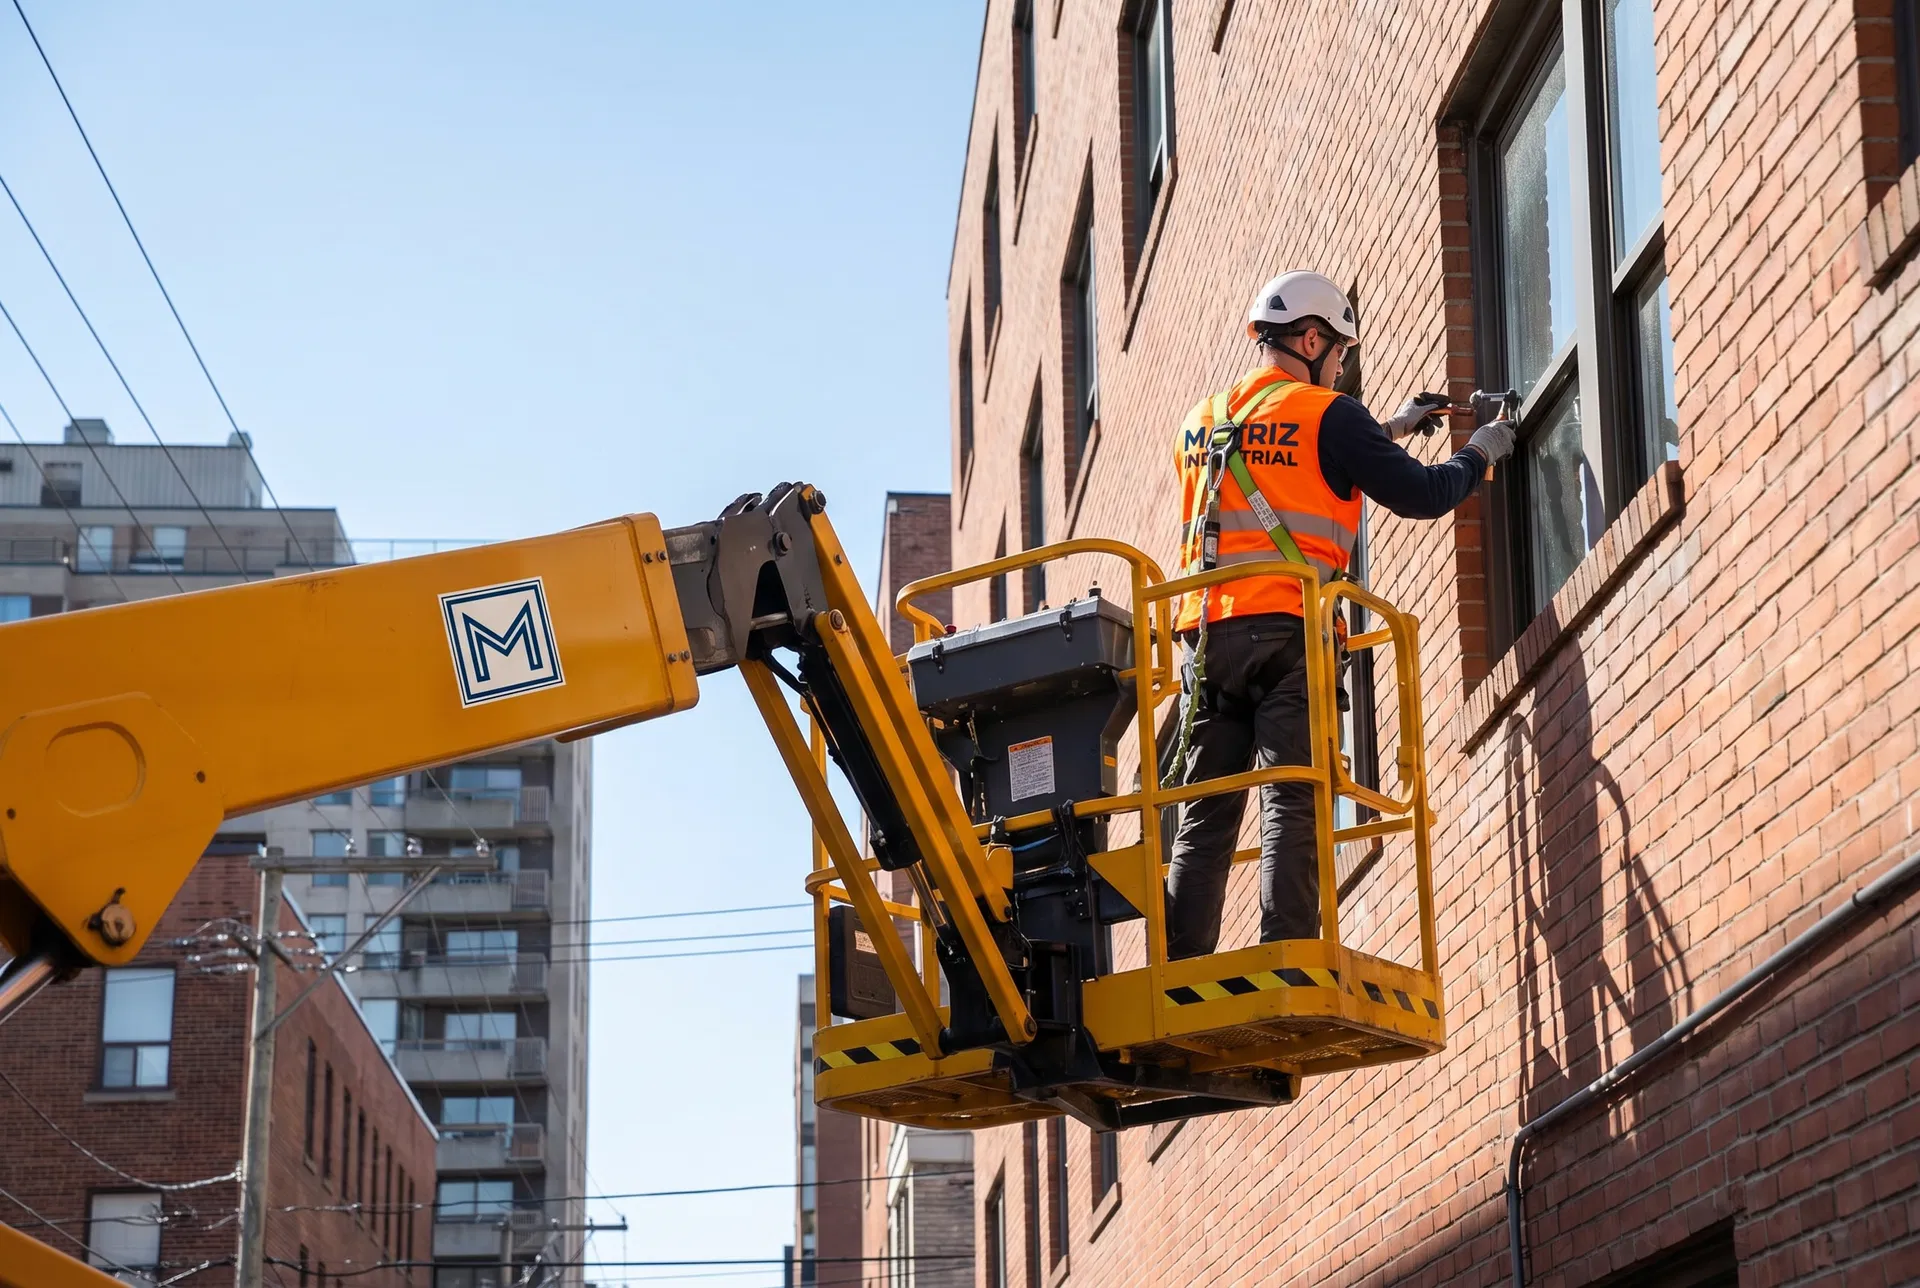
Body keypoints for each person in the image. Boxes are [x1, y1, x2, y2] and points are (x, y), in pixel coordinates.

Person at [1163, 269, 1515, 959]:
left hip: (1204, 643)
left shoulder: (1200, 421)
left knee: (1202, 819)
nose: (1343, 368)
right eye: (1343, 355)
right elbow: (1421, 494)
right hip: (1287, 633)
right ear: (1313, 338)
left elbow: (1273, 463)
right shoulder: (1330, 416)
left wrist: (1389, 429)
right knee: (1292, 797)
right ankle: (1288, 956)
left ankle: (1179, 977)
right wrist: (1481, 454)